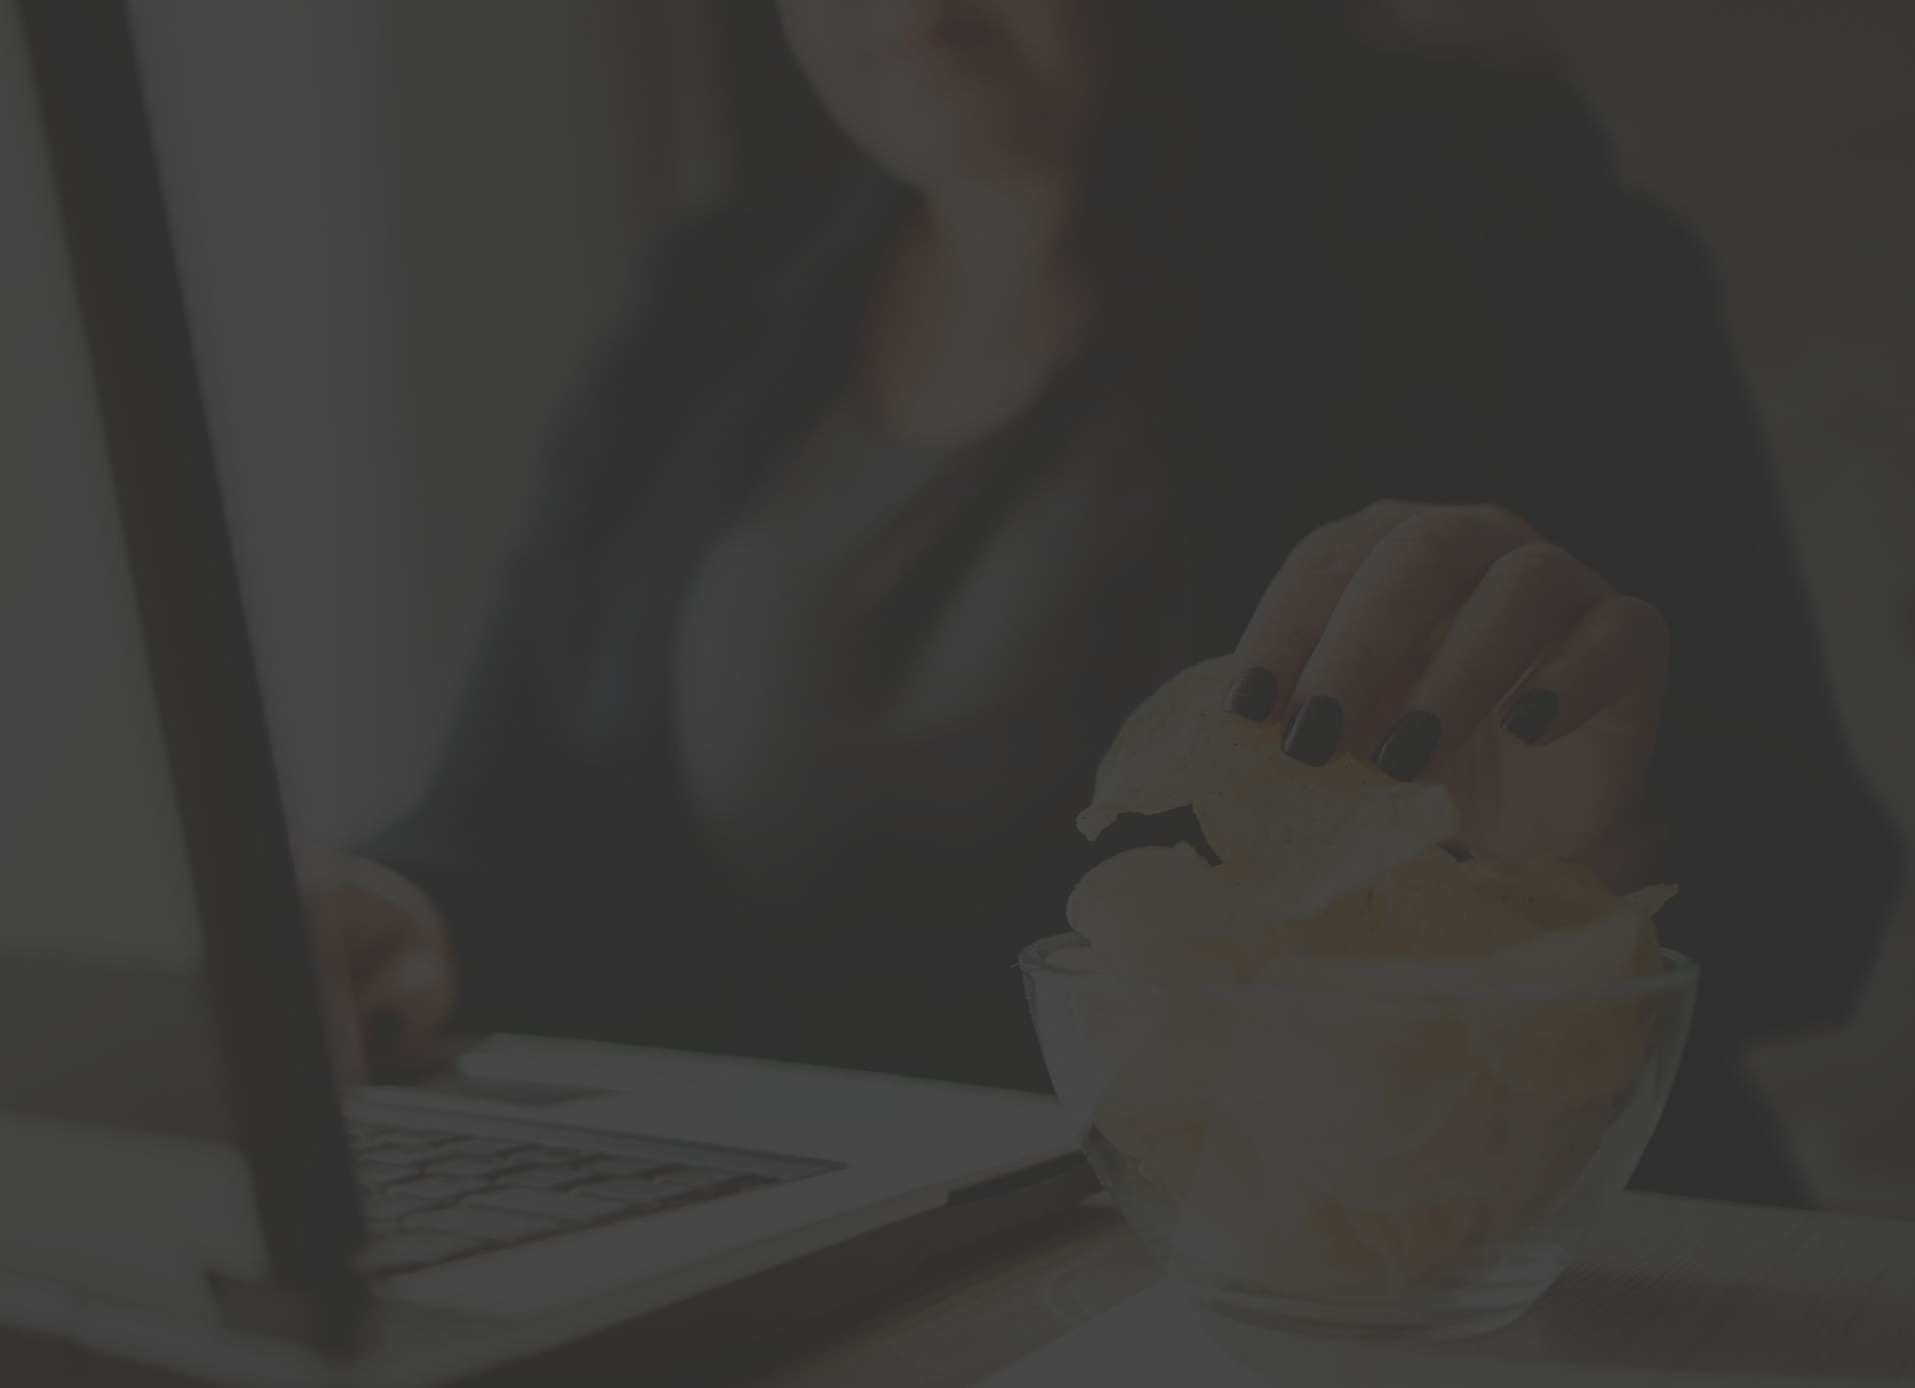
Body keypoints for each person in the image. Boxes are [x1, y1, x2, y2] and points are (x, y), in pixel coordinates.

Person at [310, 0, 1898, 1207]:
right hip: (845, 1266)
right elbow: (510, 814)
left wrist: (1584, 860)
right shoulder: (702, 305)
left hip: (1399, 1273)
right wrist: (405, 913)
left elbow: (1812, 875)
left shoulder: (1497, 221)